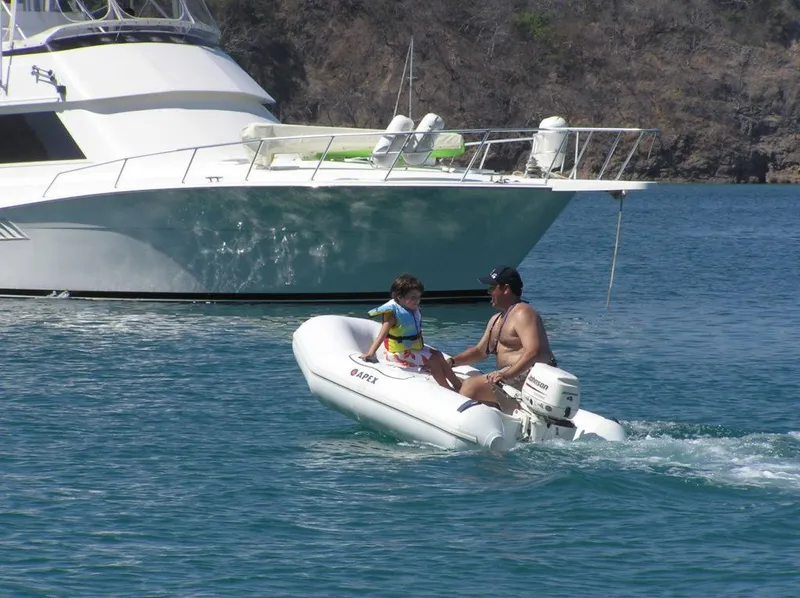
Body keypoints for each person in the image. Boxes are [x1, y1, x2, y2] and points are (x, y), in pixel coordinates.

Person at [446, 265, 557, 413]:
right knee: (463, 384)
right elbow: (480, 351)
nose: (489, 292)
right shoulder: (497, 319)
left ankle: (457, 427)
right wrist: (452, 362)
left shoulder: (523, 312)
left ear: (506, 289)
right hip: (512, 375)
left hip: (529, 375)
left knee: (470, 386)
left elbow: (533, 352)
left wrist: (506, 375)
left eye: (492, 288)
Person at [360, 273, 461, 391]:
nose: (417, 301)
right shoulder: (392, 315)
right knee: (433, 359)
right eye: (413, 297)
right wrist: (371, 353)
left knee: (438, 354)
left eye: (418, 297)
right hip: (398, 353)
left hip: (412, 349)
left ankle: (458, 385)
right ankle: (447, 388)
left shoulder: (414, 310)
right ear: (399, 297)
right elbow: (382, 335)